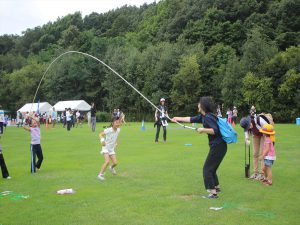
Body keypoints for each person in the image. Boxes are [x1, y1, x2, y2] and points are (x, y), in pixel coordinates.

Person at [171, 97, 227, 199]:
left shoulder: (209, 117)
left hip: (218, 146)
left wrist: (203, 129)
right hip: (219, 146)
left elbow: (215, 130)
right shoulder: (203, 116)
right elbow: (190, 119)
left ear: (202, 106)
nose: (197, 105)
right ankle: (216, 187)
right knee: (212, 168)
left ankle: (213, 193)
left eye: (199, 104)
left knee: (207, 169)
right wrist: (177, 118)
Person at [240, 109, 272, 180]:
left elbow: (268, 129)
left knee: (262, 153)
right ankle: (255, 172)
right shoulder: (246, 125)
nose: (248, 128)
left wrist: (269, 141)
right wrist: (247, 139)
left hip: (264, 134)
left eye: (249, 126)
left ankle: (262, 173)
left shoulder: (259, 120)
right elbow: (246, 134)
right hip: (256, 135)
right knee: (255, 153)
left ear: (250, 122)